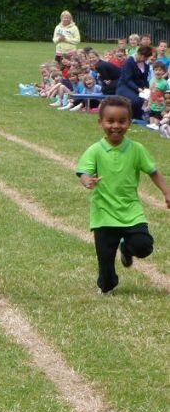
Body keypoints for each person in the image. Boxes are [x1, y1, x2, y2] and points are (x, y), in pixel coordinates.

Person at [76, 95, 170, 295]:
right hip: (104, 214)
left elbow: (153, 171)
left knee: (144, 246)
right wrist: (87, 180)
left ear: (129, 122)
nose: (116, 126)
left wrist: (167, 192)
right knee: (105, 260)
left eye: (122, 121)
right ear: (100, 121)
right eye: (110, 121)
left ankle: (127, 248)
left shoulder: (136, 149)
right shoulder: (95, 150)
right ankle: (107, 285)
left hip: (130, 211)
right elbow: (83, 171)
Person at [116, 44, 153, 120]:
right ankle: (131, 117)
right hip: (125, 86)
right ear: (140, 54)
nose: (145, 59)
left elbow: (145, 79)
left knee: (146, 99)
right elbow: (127, 80)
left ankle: (139, 117)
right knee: (136, 100)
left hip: (139, 88)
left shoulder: (146, 64)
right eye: (145, 57)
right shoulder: (129, 62)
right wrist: (138, 88)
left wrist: (148, 90)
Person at [147, 61, 168, 128]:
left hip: (160, 106)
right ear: (153, 71)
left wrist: (165, 107)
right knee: (151, 124)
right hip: (152, 104)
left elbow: (166, 95)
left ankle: (158, 125)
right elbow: (150, 93)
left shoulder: (164, 83)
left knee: (155, 125)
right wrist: (149, 104)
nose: (157, 72)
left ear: (164, 72)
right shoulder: (151, 80)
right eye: (156, 70)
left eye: (160, 70)